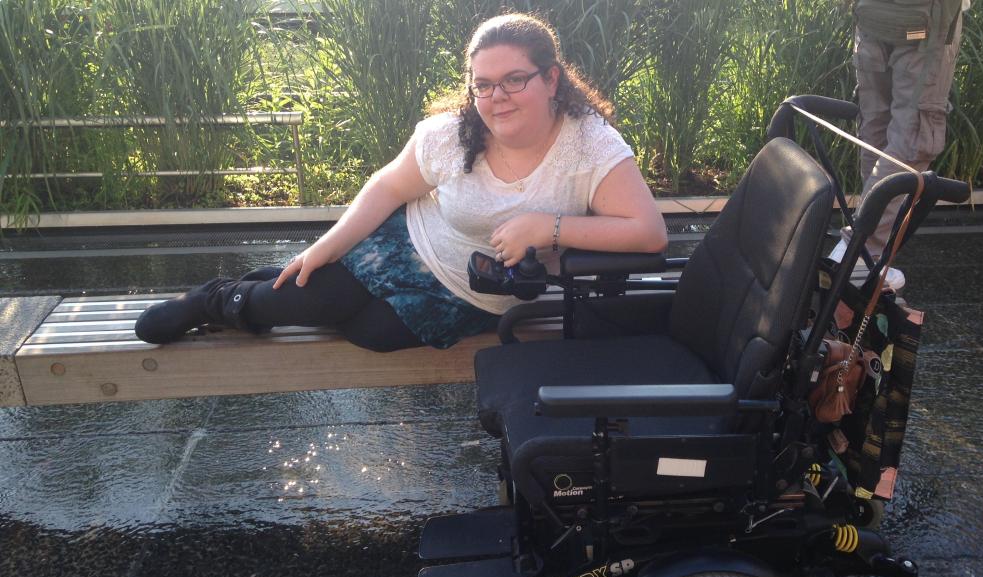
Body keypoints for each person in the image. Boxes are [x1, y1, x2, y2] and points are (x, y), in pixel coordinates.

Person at [135, 13, 667, 351]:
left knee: (371, 333)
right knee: (324, 299)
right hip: (406, 244)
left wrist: (547, 226)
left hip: (477, 294)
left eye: (514, 80)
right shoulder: (449, 134)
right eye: (482, 84)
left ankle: (272, 280)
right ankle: (215, 300)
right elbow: (387, 189)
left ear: (551, 79)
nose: (496, 96)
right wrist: (323, 248)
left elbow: (648, 232)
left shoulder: (588, 145)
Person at [831, 0, 983, 290]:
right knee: (912, 142)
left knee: (878, 133)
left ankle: (864, 253)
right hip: (925, 24)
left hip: (871, 18)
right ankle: (857, 255)